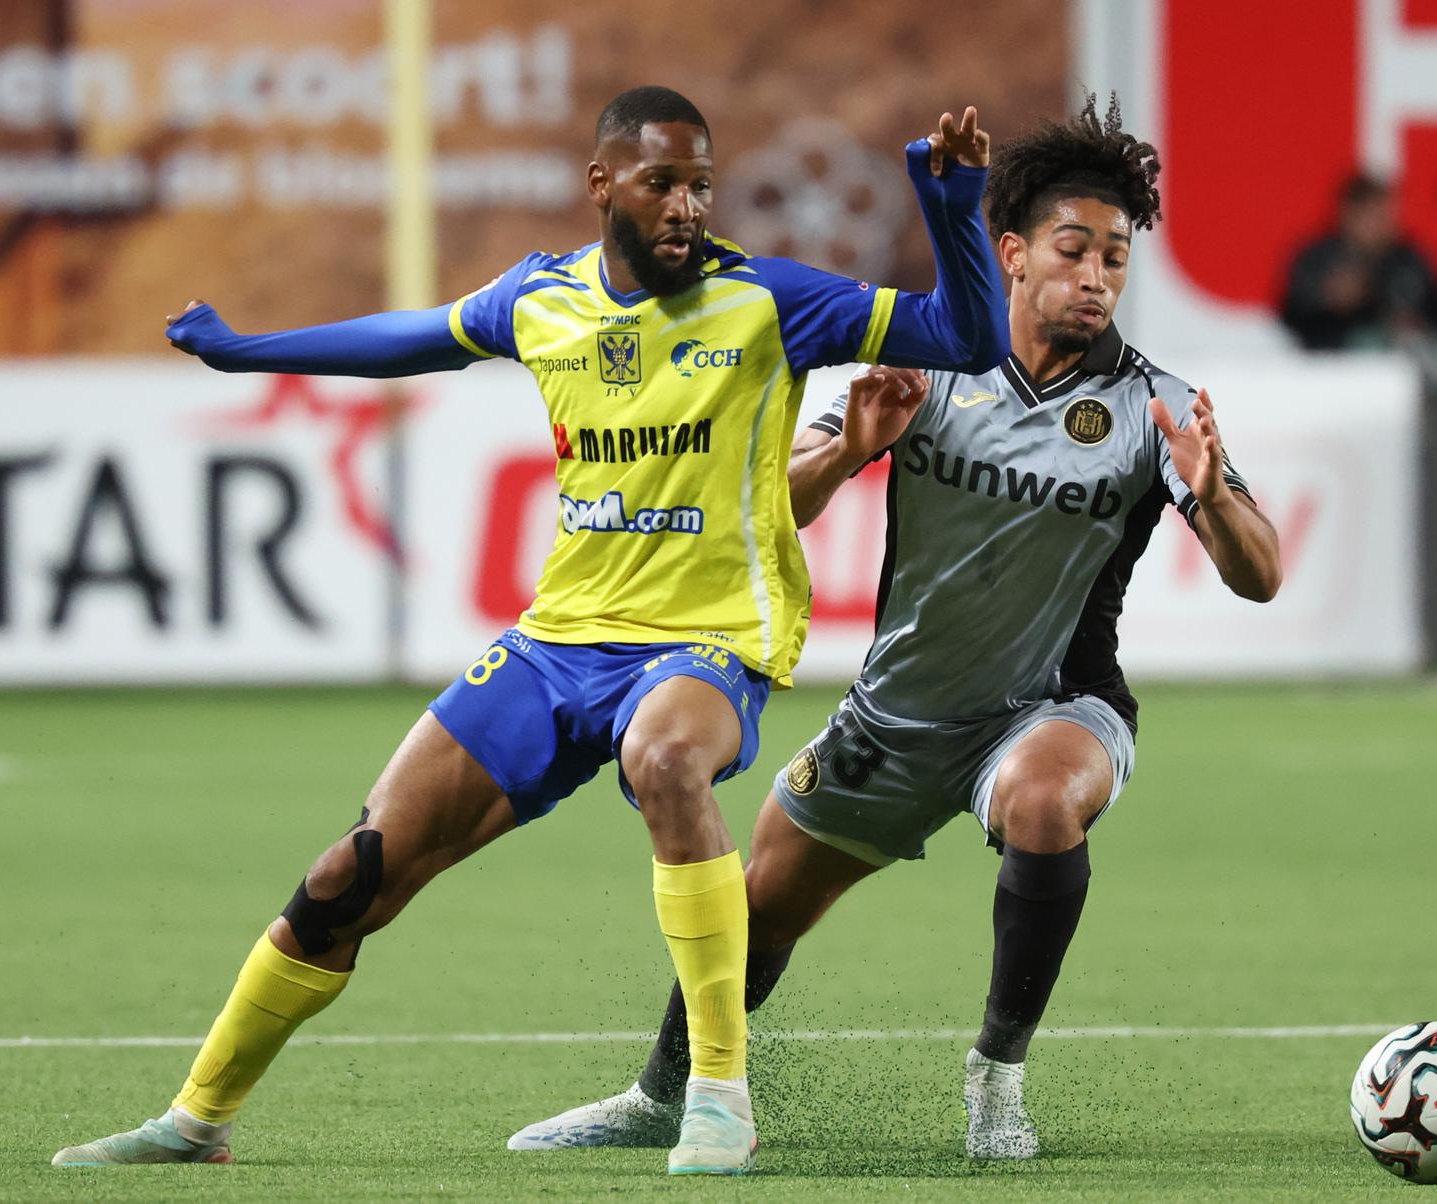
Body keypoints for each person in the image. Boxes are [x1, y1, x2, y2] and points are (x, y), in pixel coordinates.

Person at [49, 85, 1009, 1178]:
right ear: (603, 185)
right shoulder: (540, 299)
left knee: (666, 758)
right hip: (559, 641)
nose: (689, 204)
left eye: (702, 182)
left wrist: (954, 202)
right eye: (663, 183)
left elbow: (966, 337)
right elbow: (407, 340)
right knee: (351, 874)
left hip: (708, 638)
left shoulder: (772, 300)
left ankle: (717, 1095)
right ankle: (195, 1119)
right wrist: (251, 350)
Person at [510, 93, 1282, 1161]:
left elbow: (1262, 577)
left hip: (1053, 704)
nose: (1097, 275)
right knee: (752, 909)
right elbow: (773, 504)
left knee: (1044, 802)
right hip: (896, 714)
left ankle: (997, 1077)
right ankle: (657, 1094)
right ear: (1009, 253)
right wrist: (849, 446)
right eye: (1074, 249)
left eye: (1116, 255)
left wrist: (1216, 494)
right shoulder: (927, 362)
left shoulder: (1156, 409)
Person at [1280, 172, 1437, 352]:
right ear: (1348, 213)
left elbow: (1430, 306)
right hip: (1326, 357)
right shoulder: (1317, 257)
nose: (1381, 224)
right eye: (1372, 215)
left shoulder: (1407, 258)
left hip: (1392, 355)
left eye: (1386, 215)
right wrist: (1328, 298)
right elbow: (1291, 309)